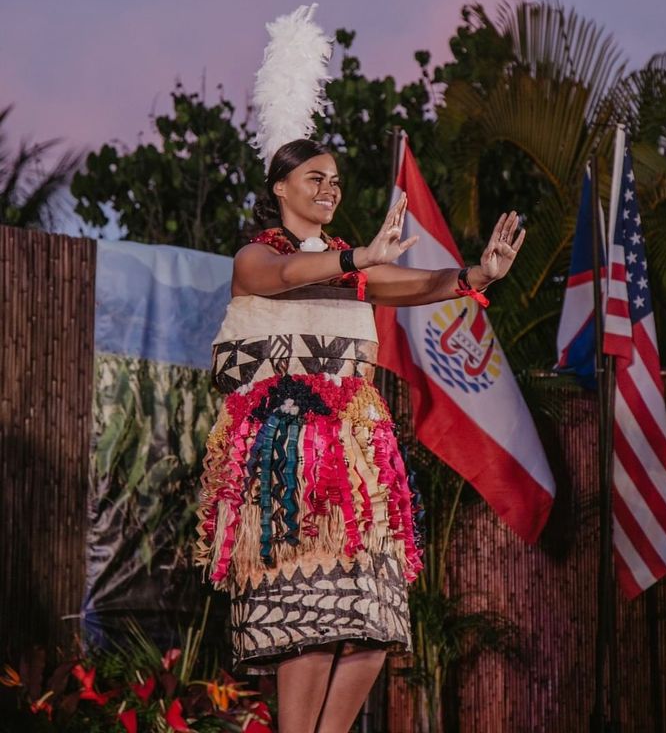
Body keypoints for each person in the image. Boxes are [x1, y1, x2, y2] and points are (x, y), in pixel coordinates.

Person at [195, 138, 525, 733]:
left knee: (374, 621)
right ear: (279, 187)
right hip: (286, 463)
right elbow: (285, 274)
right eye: (315, 178)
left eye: (335, 180)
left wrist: (479, 273)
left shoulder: (354, 265)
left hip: (360, 467)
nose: (330, 189)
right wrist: (358, 259)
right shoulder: (255, 258)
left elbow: (419, 284)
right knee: (311, 625)